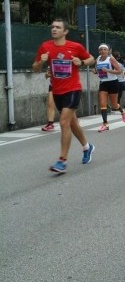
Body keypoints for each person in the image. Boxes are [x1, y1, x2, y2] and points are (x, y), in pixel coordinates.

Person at [32, 18, 95, 173]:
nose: (54, 29)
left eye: (58, 27)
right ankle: (87, 147)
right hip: (57, 91)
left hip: (73, 89)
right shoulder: (45, 46)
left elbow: (91, 58)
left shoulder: (75, 46)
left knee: (63, 122)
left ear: (65, 31)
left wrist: (81, 62)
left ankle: (62, 161)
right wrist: (41, 61)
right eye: (53, 27)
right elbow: (35, 68)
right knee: (72, 123)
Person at [94, 44, 125, 132]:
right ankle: (105, 124)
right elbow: (97, 69)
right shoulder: (97, 59)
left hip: (113, 83)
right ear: (99, 51)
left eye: (105, 49)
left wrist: (108, 70)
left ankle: (122, 111)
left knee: (114, 105)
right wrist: (95, 71)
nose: (103, 51)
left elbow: (119, 71)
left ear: (108, 51)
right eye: (101, 49)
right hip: (103, 83)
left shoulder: (111, 59)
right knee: (102, 103)